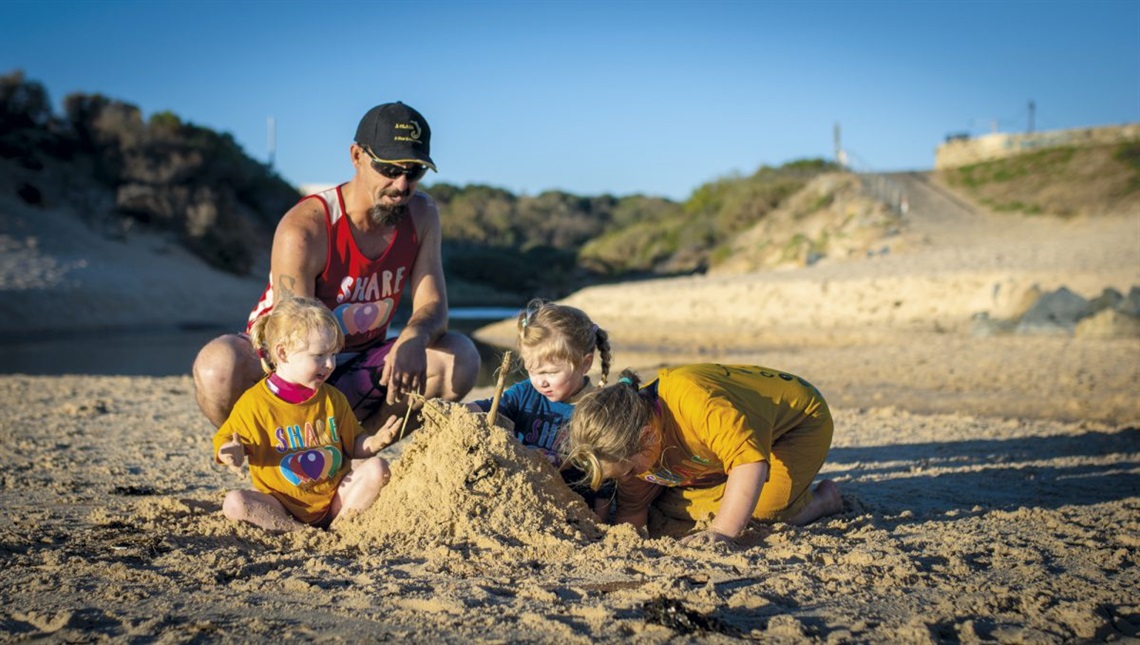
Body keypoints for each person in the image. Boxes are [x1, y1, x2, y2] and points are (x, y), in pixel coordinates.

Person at [193, 101, 480, 446]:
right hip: (283, 362)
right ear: (357, 155)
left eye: (414, 171)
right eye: (389, 169)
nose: (402, 185)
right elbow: (294, 335)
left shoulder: (422, 215)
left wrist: (413, 339)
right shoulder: (305, 227)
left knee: (459, 358)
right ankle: (262, 455)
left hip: (360, 360)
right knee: (218, 365)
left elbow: (433, 306)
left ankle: (356, 451)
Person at [562, 363, 843, 545]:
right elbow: (633, 508)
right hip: (713, 449)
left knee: (762, 511)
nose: (628, 478)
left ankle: (822, 501)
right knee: (664, 505)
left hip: (795, 426)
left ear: (647, 435)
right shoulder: (635, 431)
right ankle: (722, 489)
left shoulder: (695, 400)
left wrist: (721, 532)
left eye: (629, 472)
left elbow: (750, 464)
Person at [213, 296, 391, 532]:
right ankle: (300, 533)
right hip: (281, 506)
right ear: (283, 353)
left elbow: (354, 444)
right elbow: (225, 442)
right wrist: (230, 453)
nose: (330, 364)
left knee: (377, 468)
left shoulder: (332, 398)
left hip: (336, 502)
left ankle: (340, 528)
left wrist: (373, 442)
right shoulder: (255, 403)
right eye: (319, 356)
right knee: (235, 503)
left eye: (333, 355)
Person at [467, 299, 615, 520]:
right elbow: (488, 409)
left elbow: (606, 478)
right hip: (522, 501)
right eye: (532, 371)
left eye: (551, 373)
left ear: (584, 364)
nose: (540, 382)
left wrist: (601, 523)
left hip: (573, 510)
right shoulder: (526, 393)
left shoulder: (597, 411)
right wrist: (456, 409)